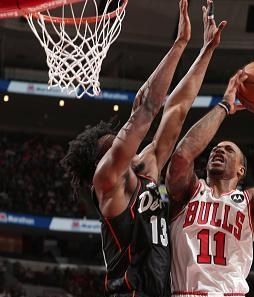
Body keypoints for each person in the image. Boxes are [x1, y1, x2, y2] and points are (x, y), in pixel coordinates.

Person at [61, 0, 227, 296]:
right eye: (110, 145)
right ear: (100, 161)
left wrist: (205, 52)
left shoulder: (146, 166)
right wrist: (179, 44)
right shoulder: (107, 181)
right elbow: (145, 109)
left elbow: (176, 108)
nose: (118, 139)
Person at [166, 68, 254, 296]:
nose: (218, 151)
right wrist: (224, 105)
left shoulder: (249, 202)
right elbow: (182, 156)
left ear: (241, 170)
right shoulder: (189, 190)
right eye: (215, 149)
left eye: (228, 150)